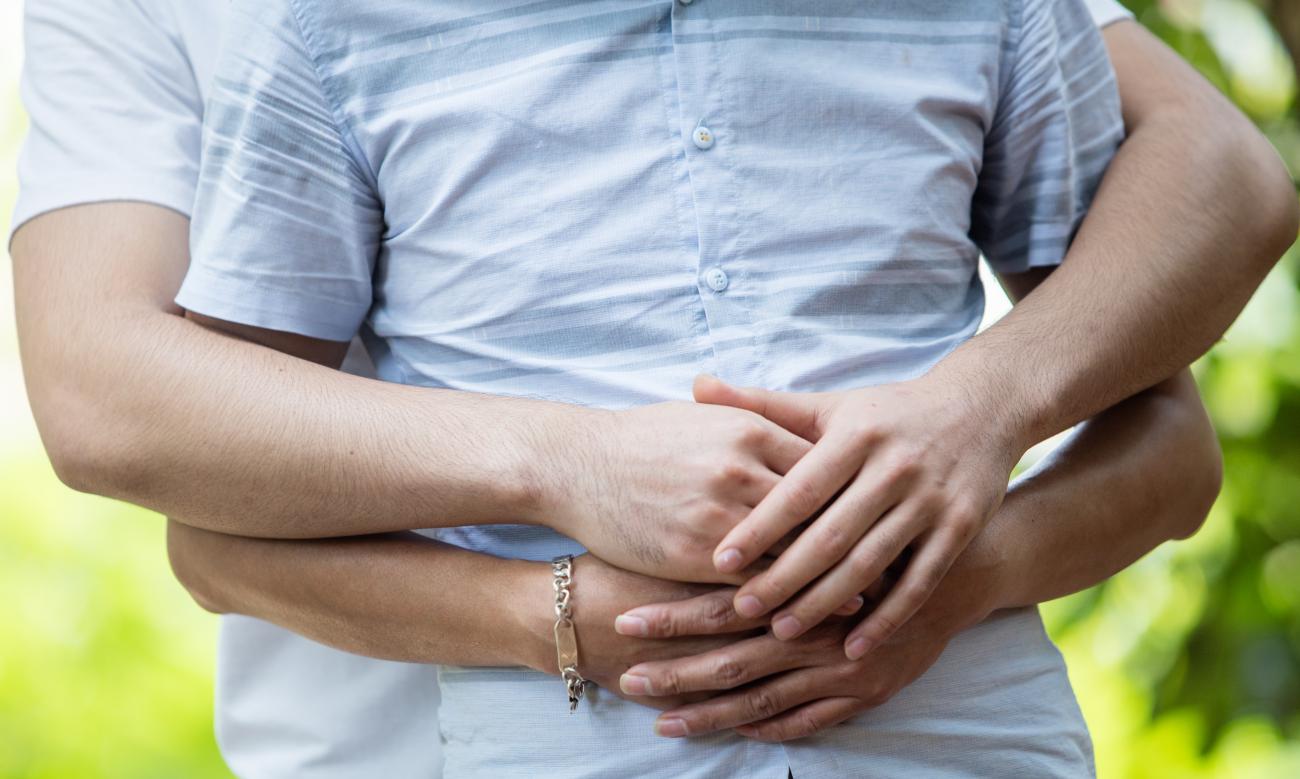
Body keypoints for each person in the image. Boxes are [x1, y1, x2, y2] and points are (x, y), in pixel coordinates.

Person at [9, 1, 1295, 778]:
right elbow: (123, 415)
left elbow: (1213, 203)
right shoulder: (324, 37)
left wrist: (973, 464)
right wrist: (565, 505)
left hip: (959, 731)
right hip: (425, 735)